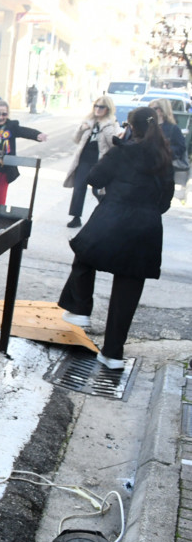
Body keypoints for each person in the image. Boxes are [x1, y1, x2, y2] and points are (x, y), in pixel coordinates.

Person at [58, 106, 174, 368]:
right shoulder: (164, 156)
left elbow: (94, 176)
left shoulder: (123, 151)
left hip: (114, 217)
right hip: (147, 228)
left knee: (84, 254)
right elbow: (165, 202)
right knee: (128, 290)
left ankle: (80, 309)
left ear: (131, 126)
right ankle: (112, 354)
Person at [64, 96, 120, 228]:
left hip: (100, 161)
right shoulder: (88, 121)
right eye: (96, 106)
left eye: (101, 107)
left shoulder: (111, 123)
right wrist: (81, 128)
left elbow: (114, 143)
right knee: (79, 188)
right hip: (84, 159)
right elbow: (75, 139)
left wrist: (105, 128)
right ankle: (76, 217)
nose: (98, 109)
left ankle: (107, 216)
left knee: (98, 191)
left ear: (107, 109)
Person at [0, 100, 47, 209]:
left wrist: (37, 135)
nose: (1, 117)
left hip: (2, 171)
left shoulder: (11, 126)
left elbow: (24, 131)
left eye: (4, 114)